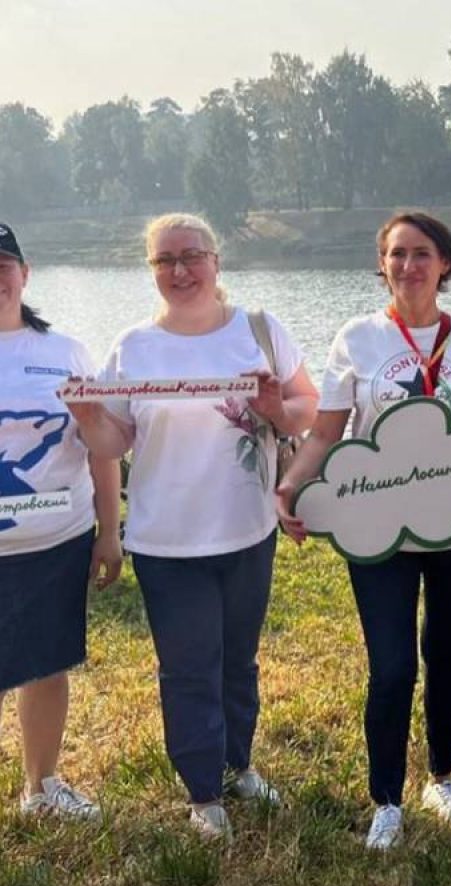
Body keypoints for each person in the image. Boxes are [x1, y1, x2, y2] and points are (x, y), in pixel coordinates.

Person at [66, 213, 318, 840]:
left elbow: (306, 407)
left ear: (216, 261)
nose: (179, 271)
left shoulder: (260, 330)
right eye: (163, 261)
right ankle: (203, 791)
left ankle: (239, 764)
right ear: (151, 270)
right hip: (165, 539)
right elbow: (113, 440)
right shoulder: (132, 347)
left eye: (191, 256)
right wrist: (85, 414)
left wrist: (272, 408)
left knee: (238, 661)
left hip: (248, 531)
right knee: (188, 666)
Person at [276, 212, 451, 851]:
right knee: (393, 666)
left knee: (446, 653)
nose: (409, 266)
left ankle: (443, 778)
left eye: (422, 253)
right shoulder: (357, 337)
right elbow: (327, 431)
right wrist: (293, 483)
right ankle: (386, 799)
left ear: (446, 264)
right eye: (397, 254)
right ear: (381, 264)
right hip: (378, 531)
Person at [0, 223, 122, 820]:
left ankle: (40, 788)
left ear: (25, 274)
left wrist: (110, 530)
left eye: (4, 264)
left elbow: (100, 446)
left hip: (56, 539)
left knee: (44, 665)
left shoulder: (65, 352)